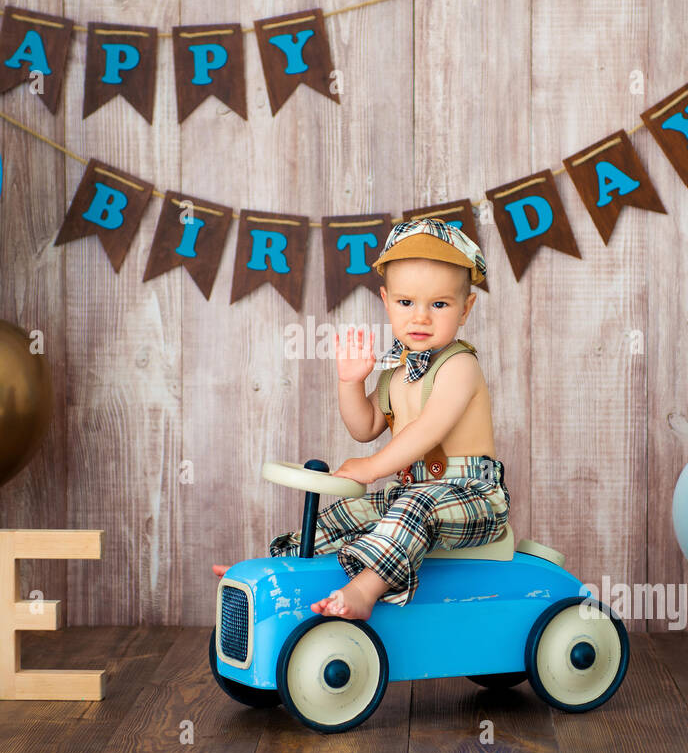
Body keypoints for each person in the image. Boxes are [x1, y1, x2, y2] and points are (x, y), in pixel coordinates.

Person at [212, 217, 509, 620]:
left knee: (412, 507)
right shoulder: (396, 371)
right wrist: (351, 382)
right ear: (386, 302)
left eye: (439, 304)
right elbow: (365, 426)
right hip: (412, 493)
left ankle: (365, 592)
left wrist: (372, 468)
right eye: (406, 303)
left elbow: (427, 430)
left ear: (465, 309)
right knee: (346, 513)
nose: (420, 317)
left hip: (472, 497)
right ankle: (268, 576)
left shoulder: (459, 366)